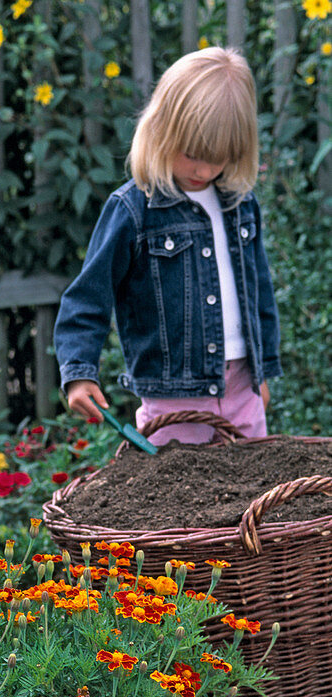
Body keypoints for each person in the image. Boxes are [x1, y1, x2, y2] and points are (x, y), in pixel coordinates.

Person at [54, 47, 281, 447]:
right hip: (173, 396)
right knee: (179, 501)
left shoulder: (242, 205)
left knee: (253, 496)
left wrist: (263, 374)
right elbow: (87, 297)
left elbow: (260, 294)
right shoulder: (133, 210)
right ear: (162, 130)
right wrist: (79, 372)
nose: (204, 171)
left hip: (243, 386)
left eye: (219, 158)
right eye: (193, 155)